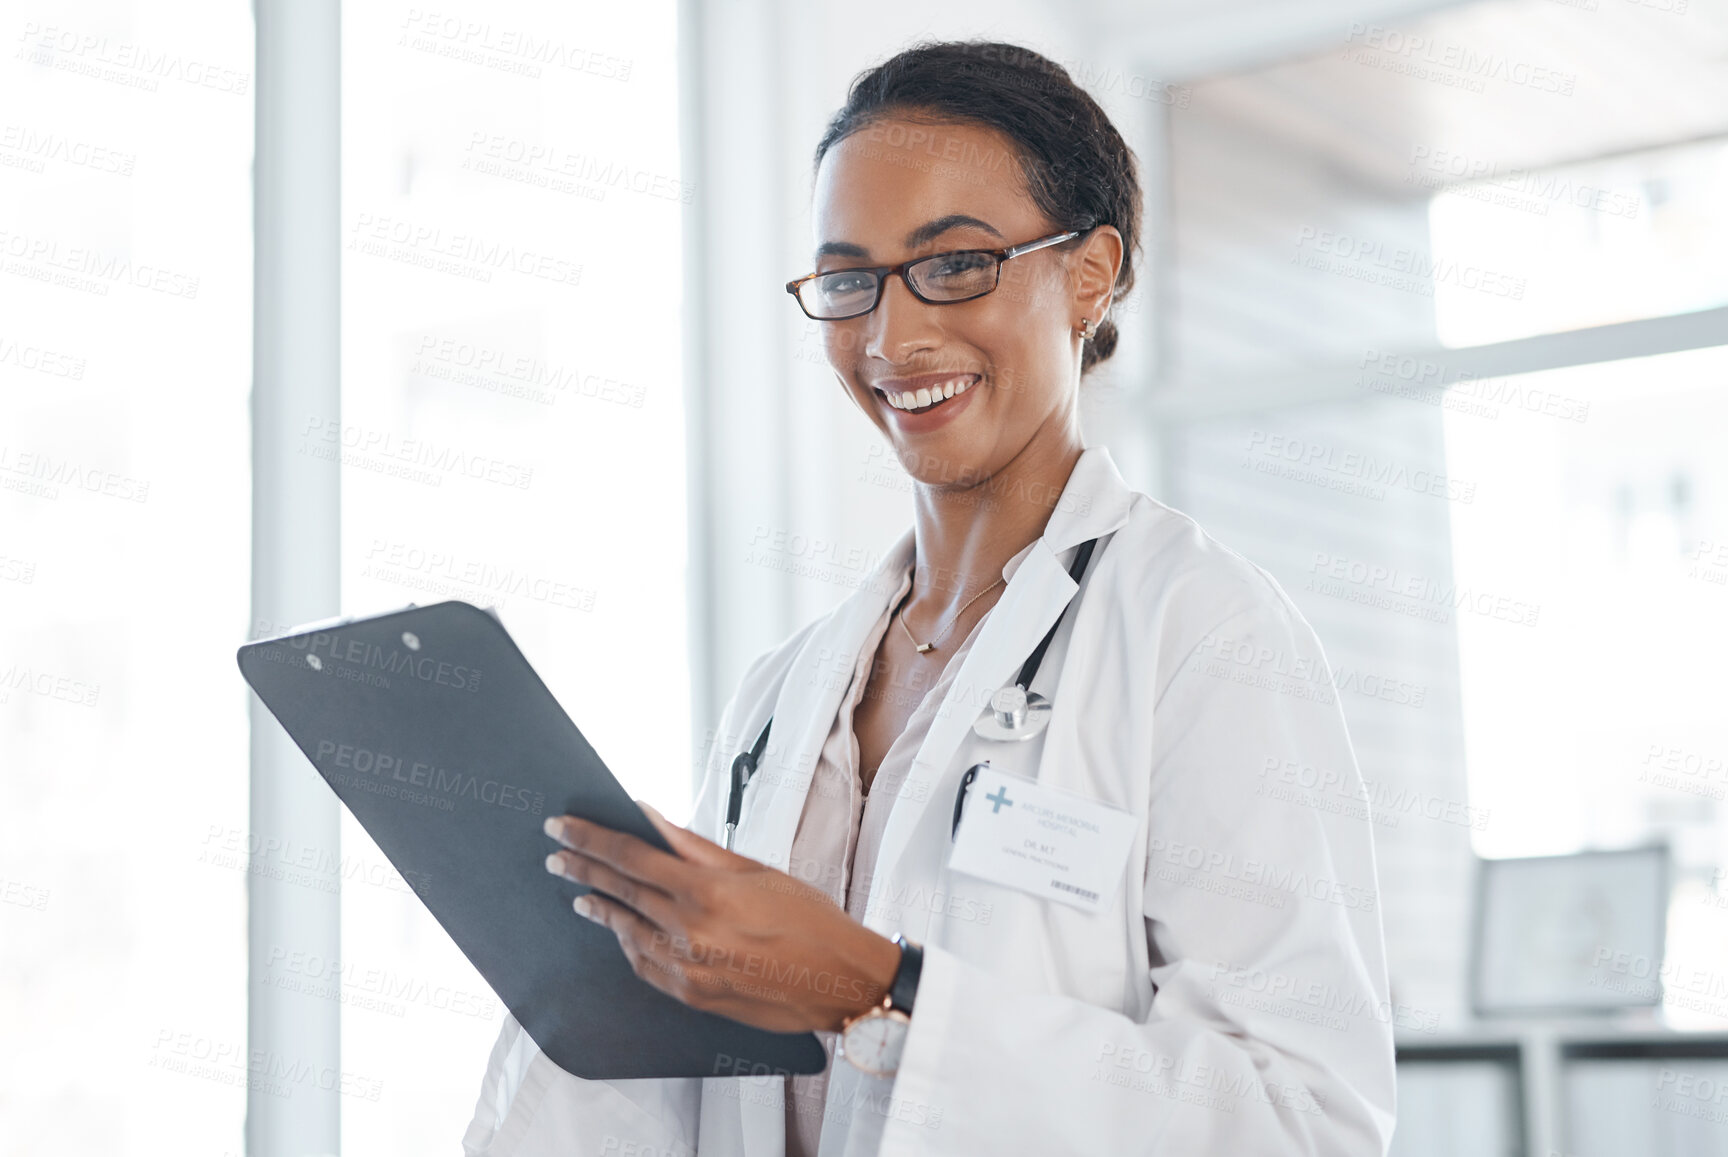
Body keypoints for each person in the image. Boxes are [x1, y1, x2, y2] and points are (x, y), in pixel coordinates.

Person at [463, 38, 1396, 1156]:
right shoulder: (785, 694)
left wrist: (876, 987)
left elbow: (1304, 1119)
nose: (893, 337)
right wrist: (602, 963)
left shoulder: (1199, 632)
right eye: (851, 278)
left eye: (955, 264)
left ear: (1091, 274)